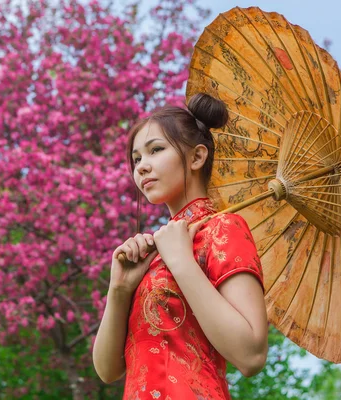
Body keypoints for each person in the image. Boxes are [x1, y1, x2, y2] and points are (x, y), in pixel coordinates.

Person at [92, 93, 268, 399]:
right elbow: (108, 370)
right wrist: (119, 289)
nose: (142, 167)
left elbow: (251, 355)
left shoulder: (223, 230)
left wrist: (181, 262)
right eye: (136, 159)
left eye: (155, 150)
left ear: (197, 157)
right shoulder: (154, 254)